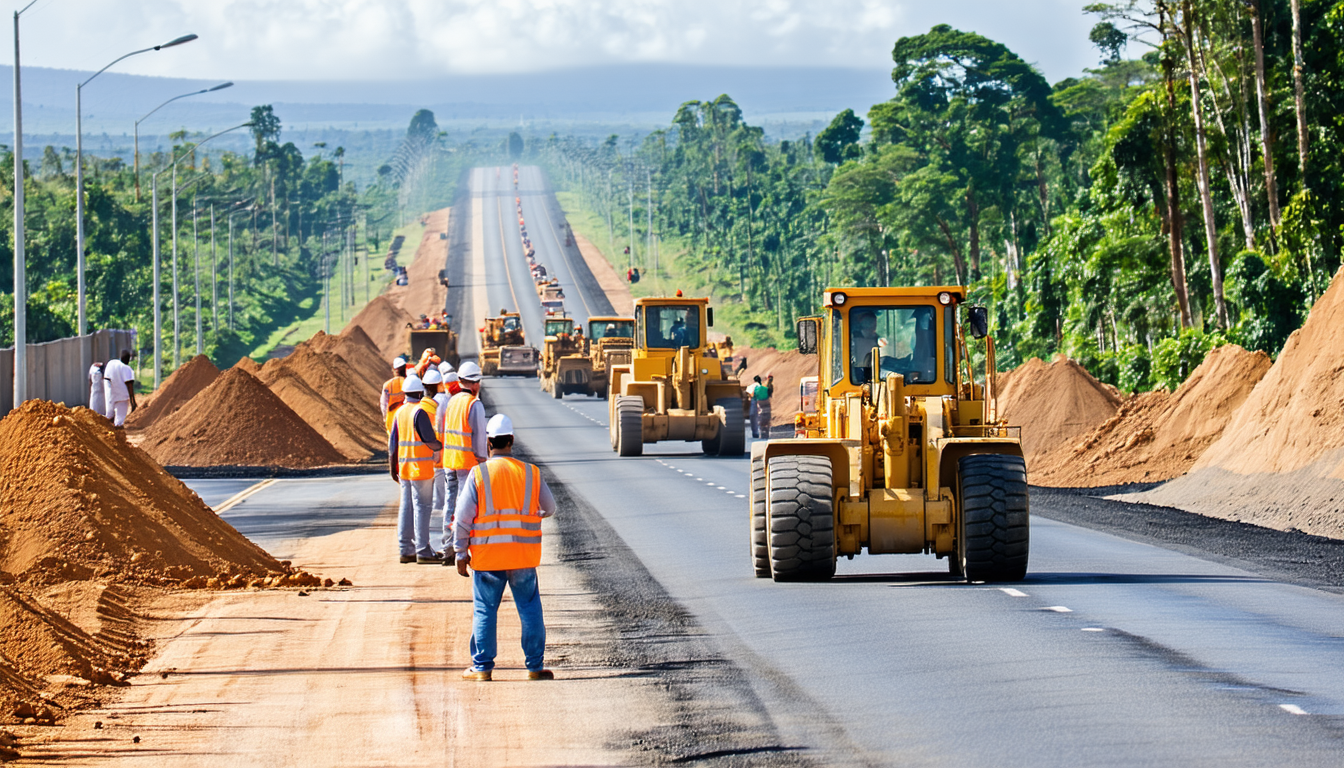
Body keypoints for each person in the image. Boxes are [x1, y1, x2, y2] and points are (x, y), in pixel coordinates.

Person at [455, 413, 557, 682]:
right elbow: (550, 508)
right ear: (512, 440)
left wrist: (459, 552)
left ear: (488, 443)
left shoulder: (479, 474)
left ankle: (482, 668)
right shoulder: (531, 473)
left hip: (488, 558)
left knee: (485, 609)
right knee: (530, 608)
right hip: (523, 556)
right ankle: (535, 667)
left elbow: (463, 518)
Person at [387, 374, 444, 564]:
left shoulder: (400, 412)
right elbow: (428, 439)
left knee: (406, 507)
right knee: (423, 508)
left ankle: (405, 549)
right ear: (420, 392)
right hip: (421, 469)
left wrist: (392, 467)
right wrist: (440, 446)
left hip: (404, 468)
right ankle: (423, 550)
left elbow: (392, 443)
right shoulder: (419, 412)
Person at [439, 360, 488, 562]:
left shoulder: (452, 401)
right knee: (462, 506)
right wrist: (483, 462)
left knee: (449, 505)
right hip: (466, 463)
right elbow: (478, 439)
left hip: (449, 460)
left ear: (460, 381)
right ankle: (460, 547)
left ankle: (447, 546)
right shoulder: (474, 404)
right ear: (476, 384)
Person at [102, 350, 137, 427]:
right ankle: (118, 432)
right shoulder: (127, 368)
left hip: (110, 395)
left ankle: (108, 433)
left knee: (109, 415)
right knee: (120, 419)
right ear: (128, 359)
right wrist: (133, 401)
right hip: (122, 397)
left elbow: (106, 378)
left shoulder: (111, 363)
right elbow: (130, 386)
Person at [381, 356, 408, 431]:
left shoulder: (387, 385)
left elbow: (383, 404)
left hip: (392, 418)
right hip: (406, 417)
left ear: (394, 370)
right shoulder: (409, 382)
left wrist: (385, 418)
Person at [749, 374, 774, 439]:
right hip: (767, 404)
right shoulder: (767, 387)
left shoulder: (756, 388)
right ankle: (766, 432)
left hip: (760, 404)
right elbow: (770, 394)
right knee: (767, 418)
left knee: (761, 418)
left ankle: (763, 432)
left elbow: (753, 396)